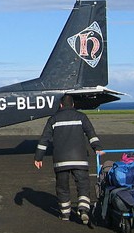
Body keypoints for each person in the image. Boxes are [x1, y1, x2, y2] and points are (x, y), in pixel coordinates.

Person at [33, 94, 104, 224]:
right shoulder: (81, 117)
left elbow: (44, 139)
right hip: (80, 160)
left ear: (60, 105)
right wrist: (97, 148)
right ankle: (83, 209)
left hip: (61, 161)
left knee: (62, 187)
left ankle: (65, 214)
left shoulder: (53, 119)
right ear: (73, 105)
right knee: (83, 185)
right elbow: (91, 134)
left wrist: (38, 157)